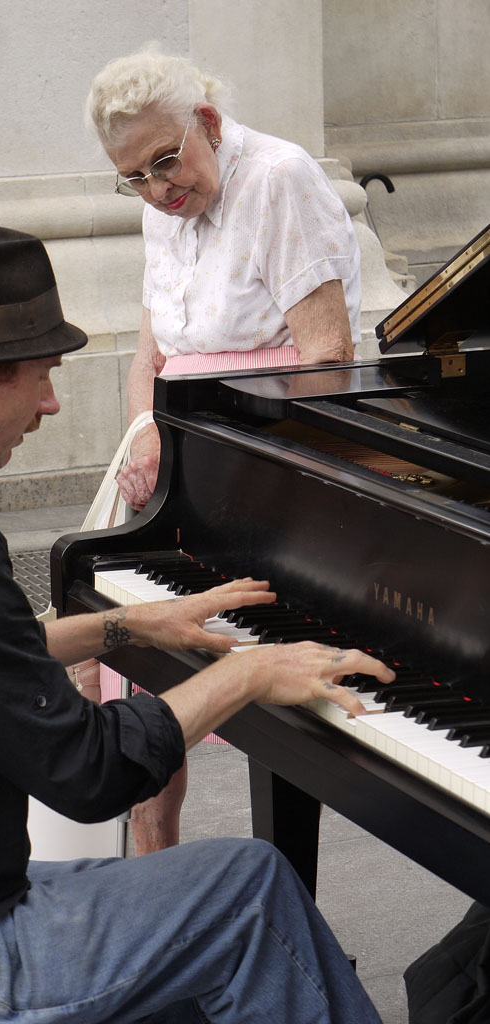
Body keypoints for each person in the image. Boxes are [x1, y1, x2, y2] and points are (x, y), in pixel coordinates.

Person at [0, 222, 393, 1024]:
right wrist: (247, 672)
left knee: (195, 957)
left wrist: (133, 626)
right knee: (247, 889)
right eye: (41, 377)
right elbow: (90, 777)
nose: (51, 402)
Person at [84, 47, 363, 854]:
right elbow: (151, 356)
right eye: (132, 176)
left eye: (166, 162)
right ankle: (151, 860)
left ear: (206, 122)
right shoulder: (156, 202)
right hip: (179, 451)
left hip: (262, 462)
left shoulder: (277, 178)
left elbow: (326, 361)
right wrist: (144, 430)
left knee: (236, 682)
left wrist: (234, 473)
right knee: (133, 648)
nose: (156, 190)